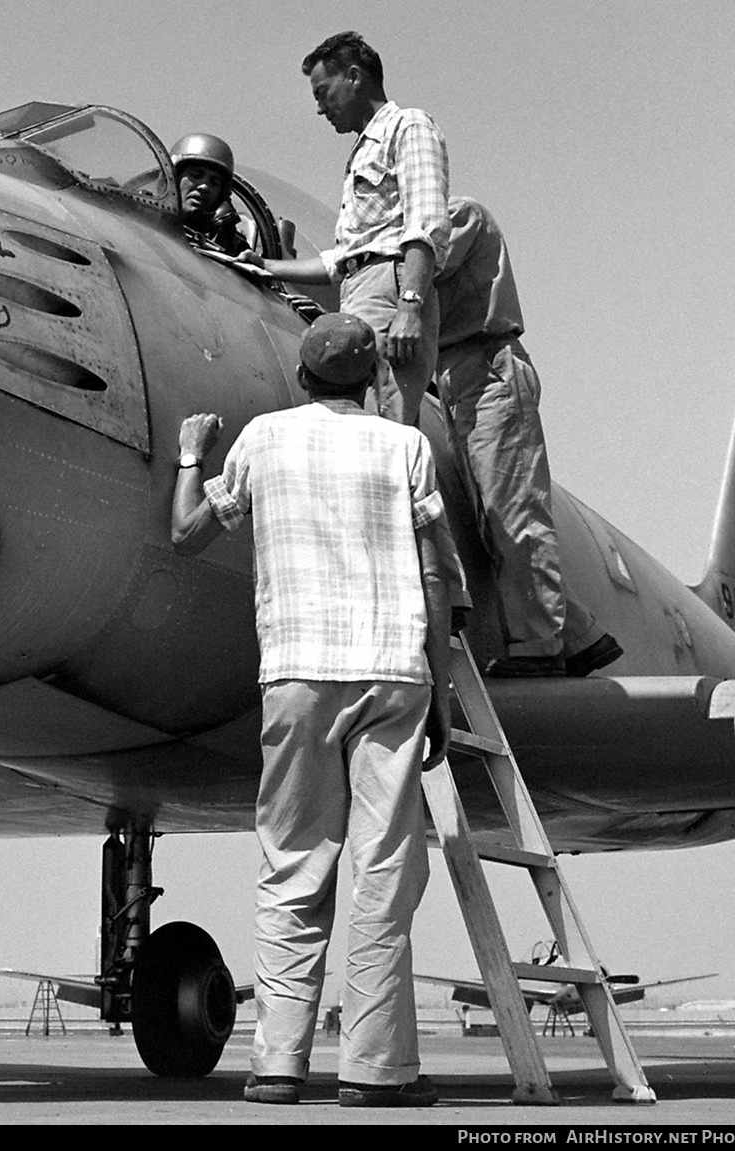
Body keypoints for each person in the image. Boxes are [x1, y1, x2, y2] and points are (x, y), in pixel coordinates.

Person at [171, 312, 455, 1108]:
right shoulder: (406, 445)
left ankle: (278, 1065)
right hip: (392, 675)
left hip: (295, 673)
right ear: (370, 379)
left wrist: (192, 454)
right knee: (381, 874)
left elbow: (186, 531)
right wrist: (440, 686)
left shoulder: (262, 439)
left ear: (301, 377)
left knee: (293, 867)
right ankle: (375, 1071)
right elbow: (435, 577)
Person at [436, 196, 622, 677]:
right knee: (489, 521)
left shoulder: (459, 216)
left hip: (486, 366)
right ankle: (578, 635)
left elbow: (411, 274)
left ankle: (539, 648)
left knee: (512, 511)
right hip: (457, 373)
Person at [239, 31, 449, 427]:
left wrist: (410, 305)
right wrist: (266, 266)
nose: (320, 109)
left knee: (384, 426)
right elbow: (343, 260)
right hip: (361, 289)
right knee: (358, 428)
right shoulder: (363, 150)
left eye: (322, 93)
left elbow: (426, 224)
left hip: (390, 289)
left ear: (354, 76)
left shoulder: (408, 127)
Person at [169, 133, 248, 254]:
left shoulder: (232, 247)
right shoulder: (138, 216)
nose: (205, 187)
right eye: (196, 175)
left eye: (215, 182)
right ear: (174, 177)